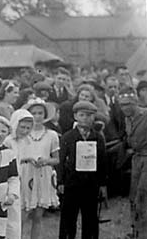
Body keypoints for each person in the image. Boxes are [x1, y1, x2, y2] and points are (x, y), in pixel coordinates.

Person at [57, 101, 108, 239]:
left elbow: (103, 162)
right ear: (75, 116)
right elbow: (61, 161)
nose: (86, 118)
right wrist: (60, 182)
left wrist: (102, 184)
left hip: (91, 183)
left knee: (90, 217)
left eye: (90, 115)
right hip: (71, 183)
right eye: (82, 115)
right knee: (68, 217)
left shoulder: (98, 138)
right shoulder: (68, 137)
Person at [20, 98, 59, 239]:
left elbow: (56, 159)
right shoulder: (22, 134)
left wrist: (46, 161)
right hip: (25, 174)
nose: (37, 116)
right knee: (23, 213)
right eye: (34, 113)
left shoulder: (51, 135)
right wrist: (26, 159)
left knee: (37, 215)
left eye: (40, 113)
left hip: (42, 175)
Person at [118, 87, 147, 238]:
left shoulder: (146, 114)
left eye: (128, 104)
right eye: (122, 105)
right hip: (136, 160)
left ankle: (143, 233)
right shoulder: (127, 119)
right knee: (133, 194)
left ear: (136, 101)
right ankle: (136, 230)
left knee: (143, 195)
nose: (125, 108)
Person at [5, 109, 35, 239]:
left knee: (16, 214)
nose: (25, 131)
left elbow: (19, 157)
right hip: (7, 179)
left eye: (28, 128)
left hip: (18, 178)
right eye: (22, 127)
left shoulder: (24, 141)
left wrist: (27, 159)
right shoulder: (8, 141)